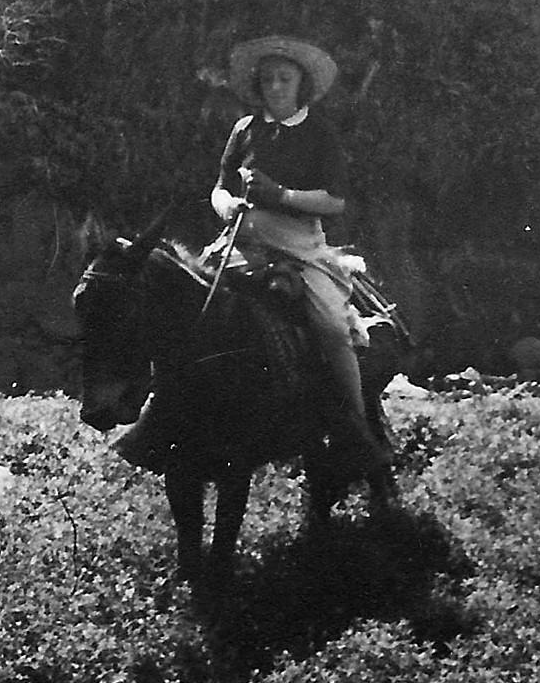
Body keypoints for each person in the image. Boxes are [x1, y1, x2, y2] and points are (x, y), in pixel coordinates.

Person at [116, 33, 389, 477]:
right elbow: (219, 187)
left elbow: (335, 201)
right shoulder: (244, 129)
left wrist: (281, 194)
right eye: (268, 80)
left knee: (331, 326)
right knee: (189, 305)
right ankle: (160, 414)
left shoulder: (318, 132)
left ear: (301, 84)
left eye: (285, 78)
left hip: (299, 245)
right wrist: (227, 205)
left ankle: (353, 430)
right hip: (239, 242)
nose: (276, 87)